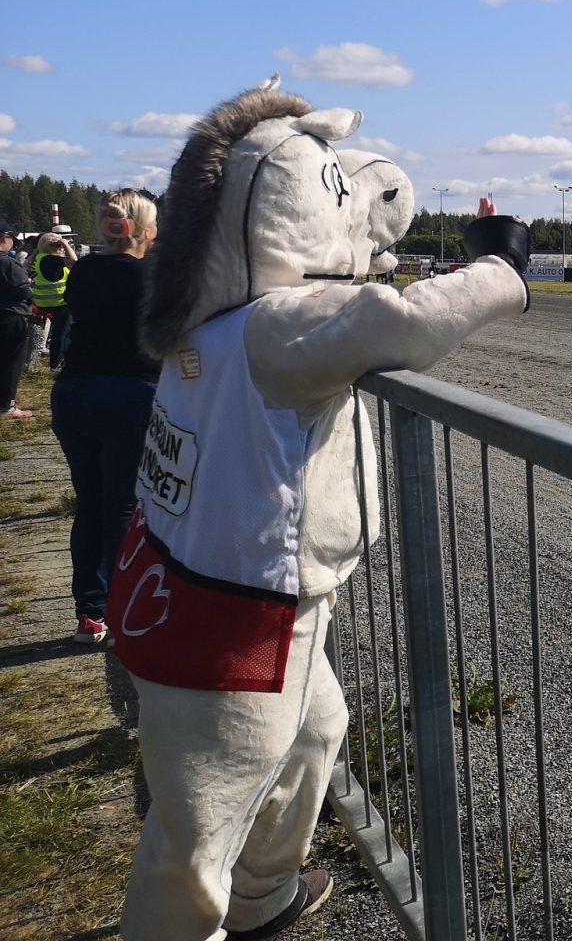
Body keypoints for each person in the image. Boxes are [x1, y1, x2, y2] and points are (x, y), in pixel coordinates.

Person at [105, 78, 532, 941]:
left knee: (318, 730)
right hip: (239, 613)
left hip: (185, 582)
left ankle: (264, 897)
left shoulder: (206, 320)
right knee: (191, 846)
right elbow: (403, 324)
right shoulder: (275, 325)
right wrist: (502, 270)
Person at [51, 192, 160, 644]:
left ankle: (90, 613)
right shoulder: (153, 276)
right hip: (129, 393)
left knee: (91, 504)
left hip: (73, 392)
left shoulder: (84, 269)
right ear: (145, 230)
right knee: (122, 507)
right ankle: (122, 614)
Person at [30, 231, 78, 369]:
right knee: (61, 334)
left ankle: (56, 361)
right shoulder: (51, 260)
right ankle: (56, 363)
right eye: (58, 245)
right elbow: (74, 261)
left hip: (42, 302)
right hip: (58, 302)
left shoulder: (38, 257)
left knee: (58, 333)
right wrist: (64, 243)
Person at [0, 221, 33, 420]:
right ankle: (7, 406)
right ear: (5, 237)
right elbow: (24, 291)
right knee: (12, 362)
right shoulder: (7, 263)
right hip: (12, 316)